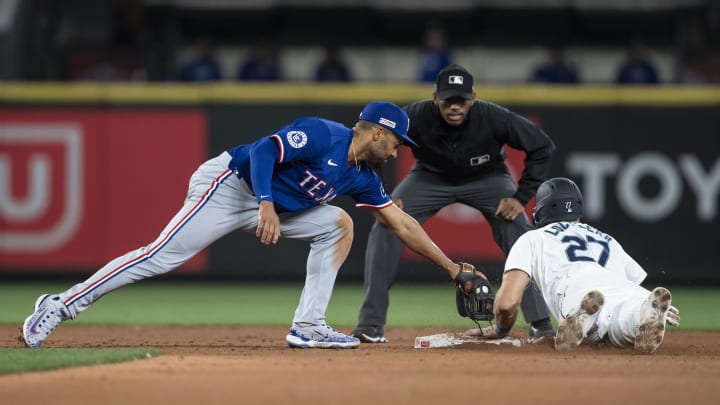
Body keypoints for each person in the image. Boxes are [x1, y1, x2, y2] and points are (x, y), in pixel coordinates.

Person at [21, 101, 485, 350]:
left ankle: (309, 325)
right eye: (396, 142)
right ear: (377, 132)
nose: (397, 151)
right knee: (160, 256)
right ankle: (59, 305)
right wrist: (264, 202)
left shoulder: (363, 177)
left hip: (274, 206)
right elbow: (265, 150)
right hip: (231, 186)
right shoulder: (326, 134)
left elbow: (400, 224)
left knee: (339, 224)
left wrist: (450, 267)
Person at [352, 64, 557, 344]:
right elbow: (373, 142)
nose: (455, 106)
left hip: (488, 178)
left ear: (473, 98)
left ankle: (541, 324)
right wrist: (382, 195)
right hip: (429, 177)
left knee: (519, 229)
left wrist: (520, 197)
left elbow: (542, 146)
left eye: (461, 100)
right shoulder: (415, 116)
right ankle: (370, 325)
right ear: (435, 98)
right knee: (387, 224)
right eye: (448, 100)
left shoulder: (493, 117)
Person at [469, 177, 680, 353]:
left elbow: (507, 303)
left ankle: (586, 320)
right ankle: (642, 311)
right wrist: (644, 300)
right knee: (622, 319)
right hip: (628, 291)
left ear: (540, 211)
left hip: (577, 289)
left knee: (597, 328)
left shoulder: (532, 238)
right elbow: (627, 284)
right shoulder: (607, 239)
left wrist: (500, 328)